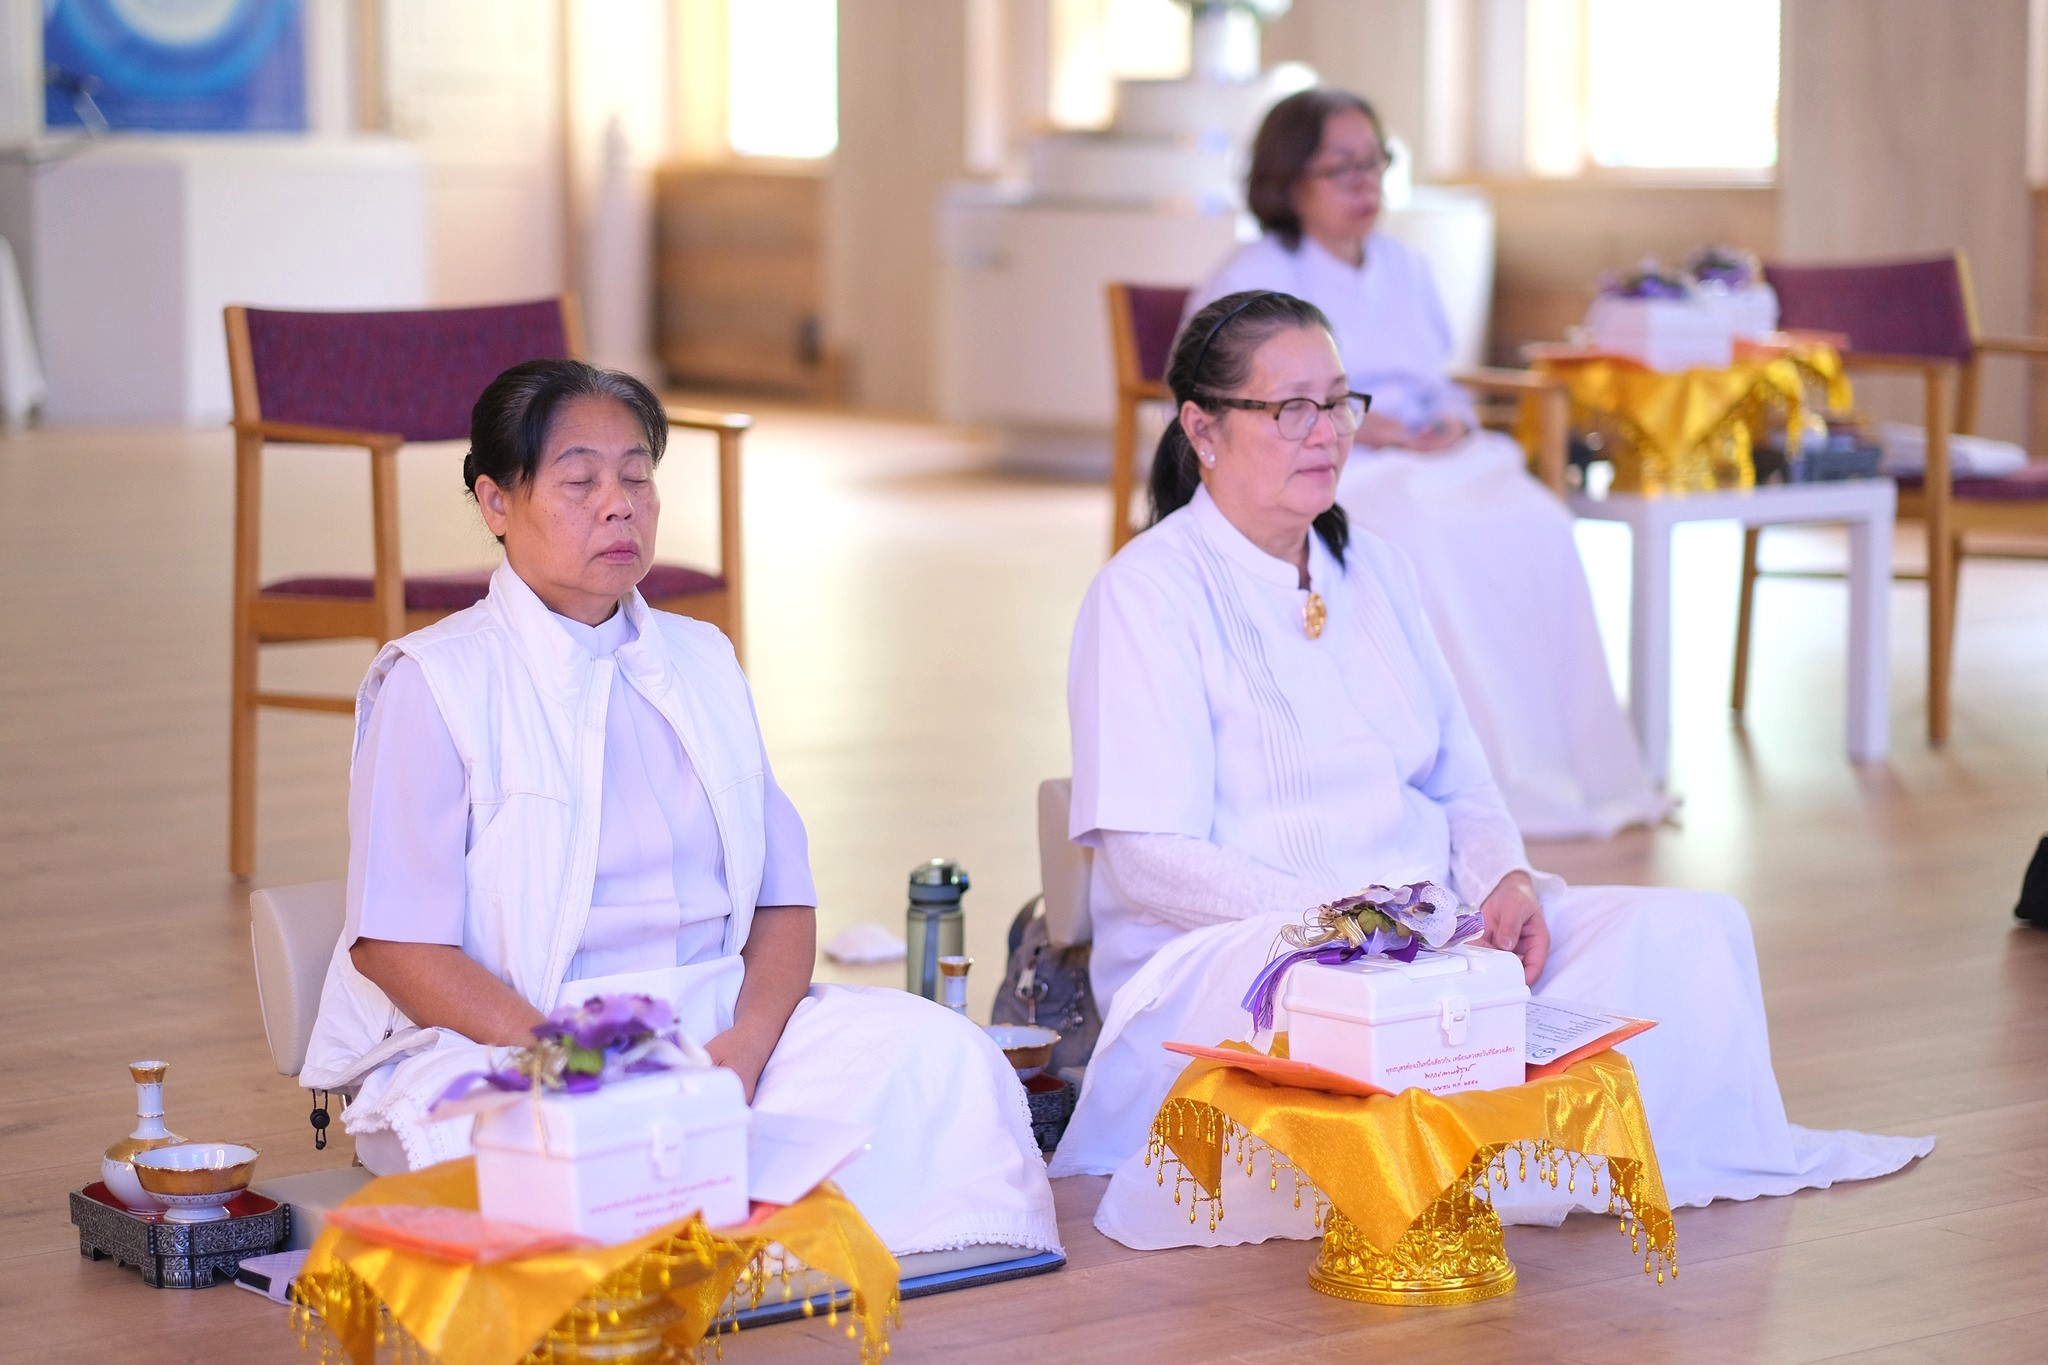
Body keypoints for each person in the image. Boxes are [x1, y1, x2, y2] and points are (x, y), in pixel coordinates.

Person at [1047, 291, 1930, 1248]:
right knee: (1405, 1012)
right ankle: (1478, 1150)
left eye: (1340, 403)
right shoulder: (1145, 591)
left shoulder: (1375, 567)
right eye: (1290, 407)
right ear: (1202, 428)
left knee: (1698, 933)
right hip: (1254, 961)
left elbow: (1461, 778)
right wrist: (1340, 926)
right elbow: (1144, 857)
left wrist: (1503, 879)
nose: (1327, 434)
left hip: (1429, 934)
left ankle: (1517, 1143)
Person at [299, 359, 1059, 1259]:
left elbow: (783, 899)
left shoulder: (703, 659)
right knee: (563, 1149)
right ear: (496, 502)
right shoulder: (439, 680)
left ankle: (771, 1234)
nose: (619, 504)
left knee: (937, 1054)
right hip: (516, 1045)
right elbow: (394, 942)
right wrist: (568, 1056)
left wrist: (746, 1046)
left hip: (713, 1028)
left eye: (637, 477)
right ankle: (733, 1235)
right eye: (580, 480)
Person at [1184, 88, 1665, 840]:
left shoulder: (1406, 267)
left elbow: (1437, 379)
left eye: (1374, 163)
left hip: (1428, 455)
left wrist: (1443, 422)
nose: (1364, 184)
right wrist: (1367, 434)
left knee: (1537, 520)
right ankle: (1474, 773)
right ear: (1286, 180)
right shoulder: (1253, 272)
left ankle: (1573, 767)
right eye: (1339, 167)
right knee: (1423, 538)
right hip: (1335, 464)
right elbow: (1226, 400)